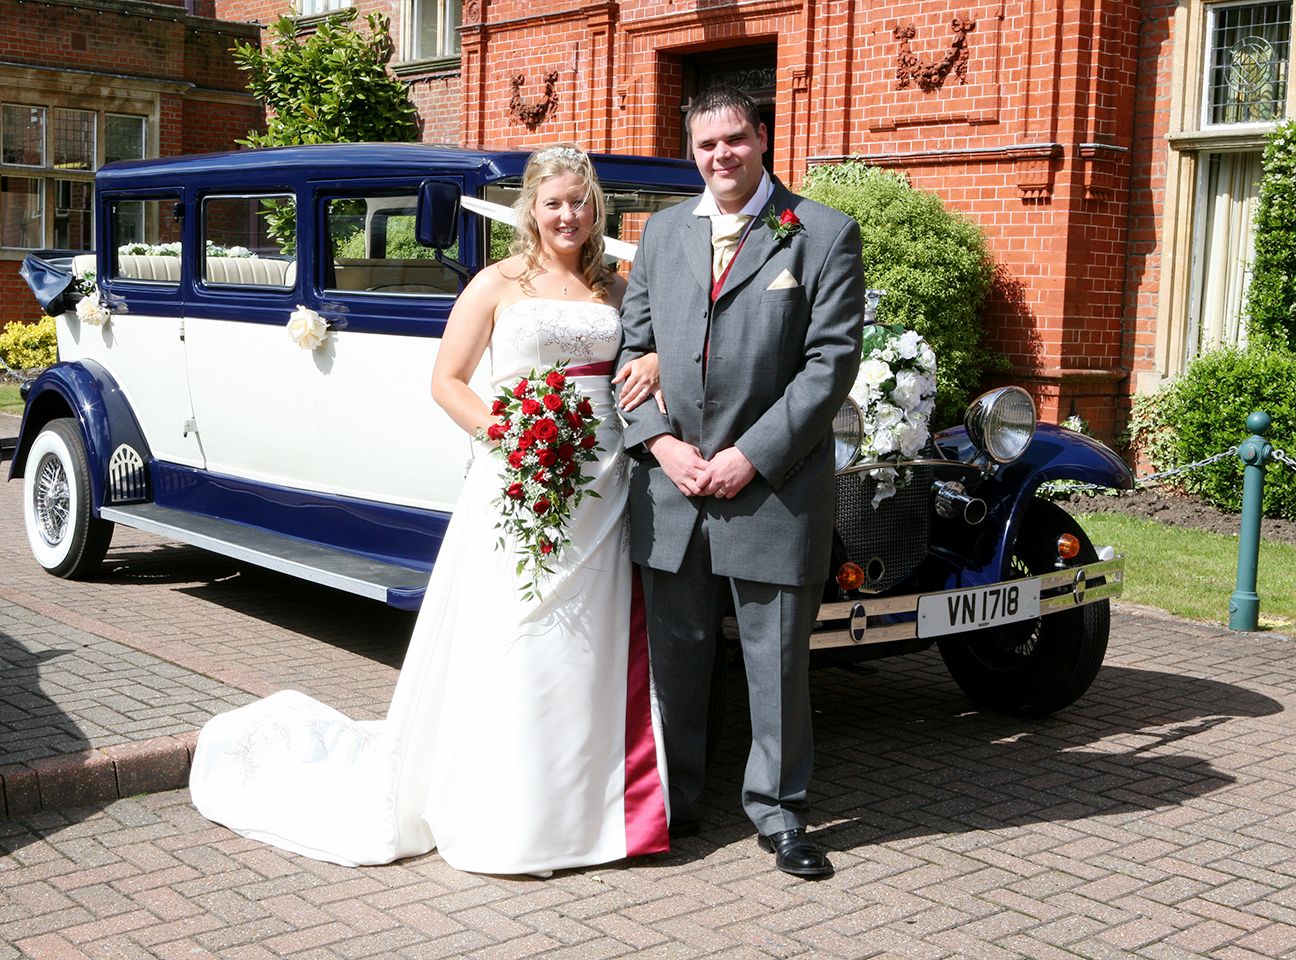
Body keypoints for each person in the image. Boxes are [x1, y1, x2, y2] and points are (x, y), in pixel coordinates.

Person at [189, 144, 669, 875]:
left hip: (603, 484)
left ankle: (590, 809)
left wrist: (657, 361)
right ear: (531, 211)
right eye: (554, 203)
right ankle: (511, 812)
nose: (568, 215)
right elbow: (447, 381)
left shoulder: (616, 285)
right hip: (520, 480)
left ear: (595, 207)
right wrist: (508, 440)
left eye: (580, 202)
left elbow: (650, 353)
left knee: (595, 640)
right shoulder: (497, 283)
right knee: (521, 630)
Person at [617, 85, 864, 879]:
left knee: (777, 663)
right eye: (706, 145)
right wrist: (660, 445)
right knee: (678, 658)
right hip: (673, 491)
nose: (721, 155)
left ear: (761, 138)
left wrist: (748, 455)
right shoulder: (659, 235)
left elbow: (829, 367)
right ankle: (679, 799)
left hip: (771, 488)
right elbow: (631, 353)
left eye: (734, 139)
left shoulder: (821, 234)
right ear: (692, 153)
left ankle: (781, 812)